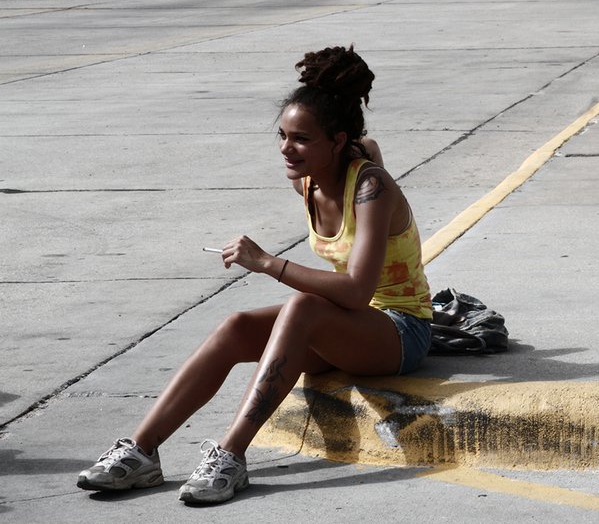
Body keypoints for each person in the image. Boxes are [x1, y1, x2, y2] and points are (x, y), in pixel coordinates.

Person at [76, 45, 433, 504]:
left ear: (338, 141)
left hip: (401, 328)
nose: (287, 148)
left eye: (302, 139)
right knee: (236, 326)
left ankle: (230, 455)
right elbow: (367, 145)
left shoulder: (371, 187)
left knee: (302, 307)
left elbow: (357, 292)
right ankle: (142, 451)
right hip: (346, 328)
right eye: (282, 135)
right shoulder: (306, 178)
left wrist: (268, 263)